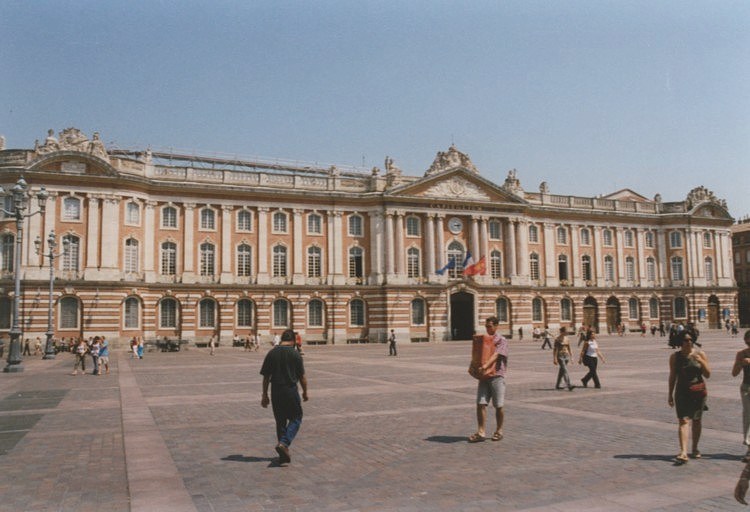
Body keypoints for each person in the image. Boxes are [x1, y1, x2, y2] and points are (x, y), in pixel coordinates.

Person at [260, 329, 308, 465]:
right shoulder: (295, 354)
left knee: (280, 421)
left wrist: (265, 395)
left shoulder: (272, 353)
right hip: (290, 390)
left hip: (276, 391)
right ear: (293, 340)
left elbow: (266, 377)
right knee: (296, 417)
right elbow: (302, 377)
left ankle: (283, 455)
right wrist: (305, 392)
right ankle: (284, 443)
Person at [668, 332, 710, 463]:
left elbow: (708, 374)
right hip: (681, 392)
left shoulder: (700, 354)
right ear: (680, 342)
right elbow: (672, 376)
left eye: (691, 340)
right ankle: (683, 452)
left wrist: (701, 361)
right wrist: (670, 394)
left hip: (698, 392)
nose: (689, 342)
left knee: (696, 420)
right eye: (686, 340)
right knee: (683, 420)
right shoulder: (675, 357)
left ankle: (695, 448)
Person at [467, 316, 508, 443]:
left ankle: (499, 431)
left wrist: (485, 366)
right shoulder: (484, 339)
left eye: (489, 326)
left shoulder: (501, 340)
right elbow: (477, 355)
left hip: (497, 376)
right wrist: (473, 366)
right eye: (486, 326)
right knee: (480, 404)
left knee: (498, 405)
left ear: (496, 326)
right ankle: (481, 432)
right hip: (484, 377)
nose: (487, 328)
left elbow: (496, 355)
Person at [732, 330, 750, 462]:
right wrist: (740, 363)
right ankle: (749, 447)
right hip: (747, 388)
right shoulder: (741, 354)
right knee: (748, 416)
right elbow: (734, 373)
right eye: (748, 342)